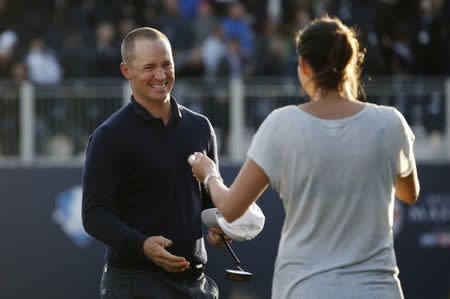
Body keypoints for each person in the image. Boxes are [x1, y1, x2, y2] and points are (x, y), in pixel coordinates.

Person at [188, 16, 420, 299]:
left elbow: (232, 208)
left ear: (305, 67)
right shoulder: (391, 123)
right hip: (378, 289)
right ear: (350, 63)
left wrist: (209, 173)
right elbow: (410, 194)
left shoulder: (281, 124)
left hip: (304, 288)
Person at [82, 27, 222, 299]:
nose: (161, 75)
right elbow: (94, 215)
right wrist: (142, 245)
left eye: (166, 64)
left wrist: (221, 227)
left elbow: (209, 203)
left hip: (196, 284)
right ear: (126, 71)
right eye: (149, 67)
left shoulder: (200, 127)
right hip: (134, 284)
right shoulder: (109, 136)